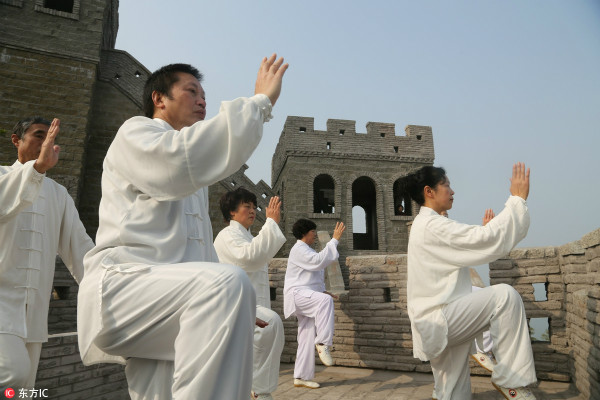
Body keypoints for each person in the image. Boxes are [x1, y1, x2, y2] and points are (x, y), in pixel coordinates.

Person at [77, 54, 288, 400]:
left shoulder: (195, 182)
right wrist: (259, 103)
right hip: (123, 289)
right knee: (231, 284)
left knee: (159, 392)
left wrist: (231, 312)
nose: (202, 100)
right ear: (159, 99)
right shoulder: (137, 134)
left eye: (204, 94)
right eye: (191, 91)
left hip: (168, 301)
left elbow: (199, 254)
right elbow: (180, 161)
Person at [405, 163, 537, 400]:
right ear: (429, 191)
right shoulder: (432, 225)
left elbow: (473, 243)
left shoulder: (425, 224)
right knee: (505, 297)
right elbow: (482, 240)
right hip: (441, 318)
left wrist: (485, 236)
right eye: (446, 185)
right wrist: (517, 200)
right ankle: (511, 381)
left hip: (436, 321)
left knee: (453, 393)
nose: (452, 191)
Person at [0, 117, 94, 392]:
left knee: (23, 390)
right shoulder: (3, 176)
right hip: (3, 303)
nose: (46, 143)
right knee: (11, 374)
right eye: (38, 135)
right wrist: (38, 168)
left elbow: (80, 248)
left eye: (49, 137)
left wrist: (111, 289)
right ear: (16, 140)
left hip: (35, 310)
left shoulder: (58, 194)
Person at [213, 188, 286, 400]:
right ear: (232, 212)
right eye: (247, 206)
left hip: (252, 306)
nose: (253, 211)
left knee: (264, 335)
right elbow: (250, 258)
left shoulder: (246, 236)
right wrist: (271, 223)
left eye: (254, 207)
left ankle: (255, 389)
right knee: (270, 324)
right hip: (233, 306)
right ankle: (260, 390)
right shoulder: (227, 236)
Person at [283, 219, 346, 389]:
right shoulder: (299, 249)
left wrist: (323, 291)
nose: (315, 235)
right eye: (313, 232)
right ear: (305, 233)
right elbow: (318, 261)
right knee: (324, 302)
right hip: (297, 295)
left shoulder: (306, 251)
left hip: (305, 294)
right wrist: (334, 240)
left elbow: (312, 275)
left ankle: (301, 376)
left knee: (306, 335)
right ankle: (323, 343)